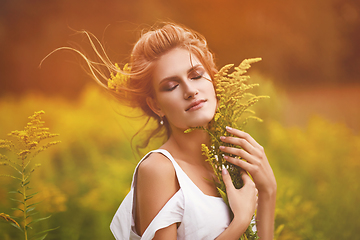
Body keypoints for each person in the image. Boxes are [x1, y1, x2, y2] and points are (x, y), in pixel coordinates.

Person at [61, 22, 277, 240]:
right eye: (172, 86)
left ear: (213, 82)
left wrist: (268, 191)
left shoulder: (228, 162)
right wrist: (239, 222)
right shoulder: (159, 170)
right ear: (156, 106)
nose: (190, 91)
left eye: (196, 75)